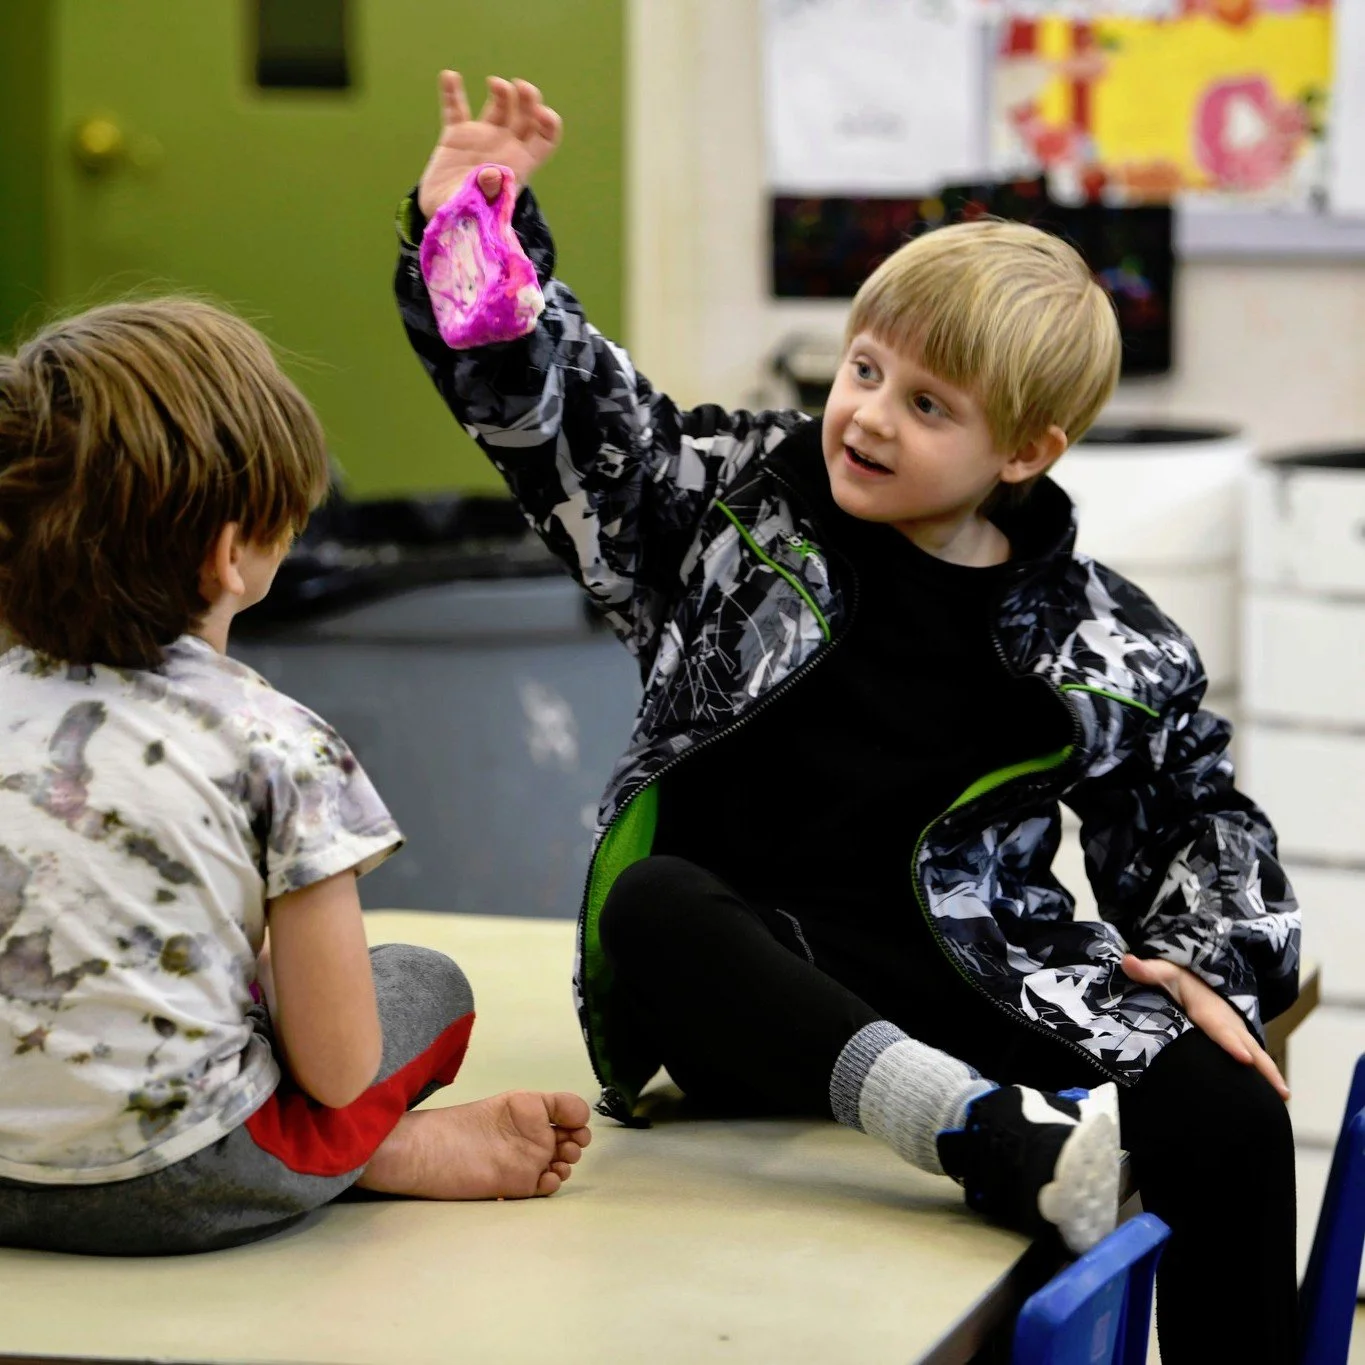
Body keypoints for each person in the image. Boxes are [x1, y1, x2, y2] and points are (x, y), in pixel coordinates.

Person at [395, 72, 1301, 1363]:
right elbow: (568, 425)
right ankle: (979, 1137)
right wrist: (466, 234)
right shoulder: (729, 515)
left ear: (1026, 451)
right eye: (863, 369)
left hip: (969, 980)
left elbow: (1196, 805)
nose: (866, 414)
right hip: (758, 993)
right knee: (652, 905)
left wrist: (1214, 964)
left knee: (1229, 1100)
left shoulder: (1093, 632)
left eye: (926, 405)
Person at [0, 297, 591, 1256]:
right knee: (422, 983)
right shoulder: (277, 742)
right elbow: (339, 1064)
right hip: (187, 1178)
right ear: (234, 552)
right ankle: (385, 1156)